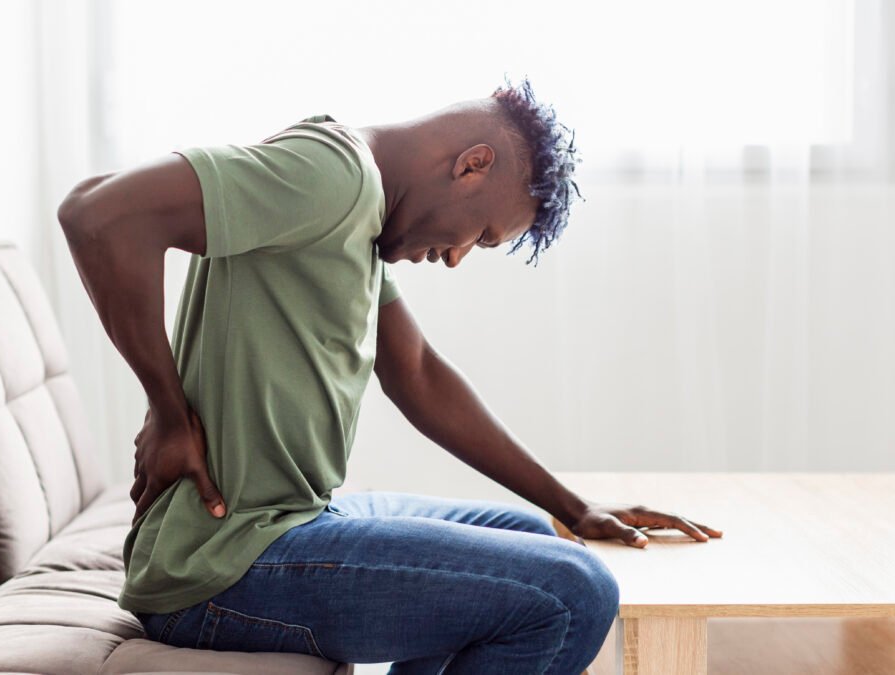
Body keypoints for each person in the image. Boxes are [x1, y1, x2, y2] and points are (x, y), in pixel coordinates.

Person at [57, 77, 722, 674]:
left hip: (289, 521)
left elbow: (418, 374)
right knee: (575, 591)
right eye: (482, 234)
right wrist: (167, 408)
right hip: (228, 563)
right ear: (472, 164)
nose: (459, 258)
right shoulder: (332, 176)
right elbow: (97, 214)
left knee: (538, 537)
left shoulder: (360, 210)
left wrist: (575, 506)